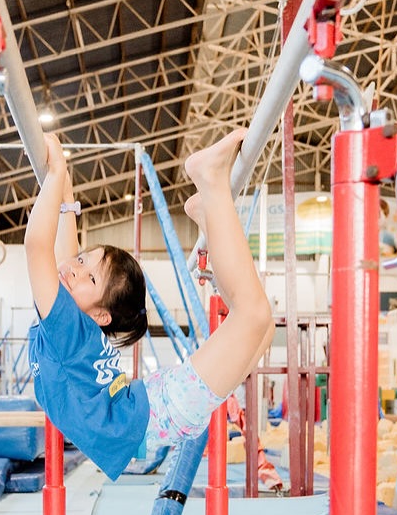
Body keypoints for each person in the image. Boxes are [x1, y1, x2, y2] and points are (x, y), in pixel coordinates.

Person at [25, 129, 274, 480]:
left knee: (258, 321)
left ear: (100, 315)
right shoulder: (68, 322)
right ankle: (211, 198)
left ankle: (211, 193)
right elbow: (54, 253)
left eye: (88, 273)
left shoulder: (66, 327)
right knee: (256, 318)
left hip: (160, 407)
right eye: (82, 264)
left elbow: (39, 247)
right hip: (161, 408)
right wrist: (57, 181)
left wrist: (58, 182)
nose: (73, 270)